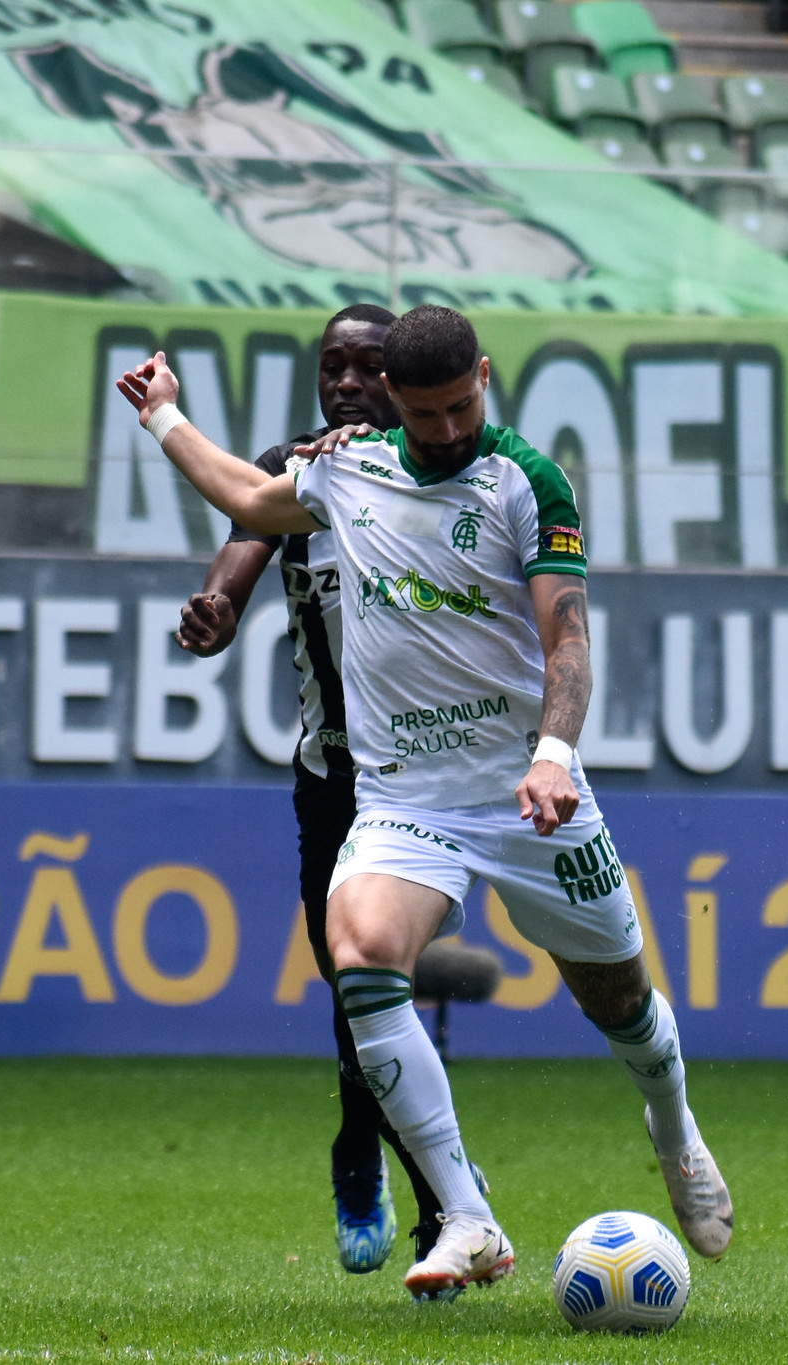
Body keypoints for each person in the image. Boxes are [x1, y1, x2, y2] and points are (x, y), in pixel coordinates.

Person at [120, 304, 732, 1301]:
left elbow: (567, 639)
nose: (447, 428)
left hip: (528, 792)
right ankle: (468, 1217)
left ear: (483, 379)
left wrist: (554, 754)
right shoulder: (347, 471)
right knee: (358, 951)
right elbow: (247, 497)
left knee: (618, 1006)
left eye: (463, 404)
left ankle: (674, 1126)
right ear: (395, 402)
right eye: (428, 411)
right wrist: (164, 418)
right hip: (406, 799)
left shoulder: (523, 481)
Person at [170, 302, 481, 1279]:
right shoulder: (300, 468)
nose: (346, 382)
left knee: (378, 995)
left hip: (433, 781)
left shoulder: (440, 474)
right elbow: (246, 547)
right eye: (331, 366)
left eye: (367, 366)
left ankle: (437, 1210)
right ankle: (373, 1160)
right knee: (360, 997)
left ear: (402, 379)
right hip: (331, 783)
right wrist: (217, 605)